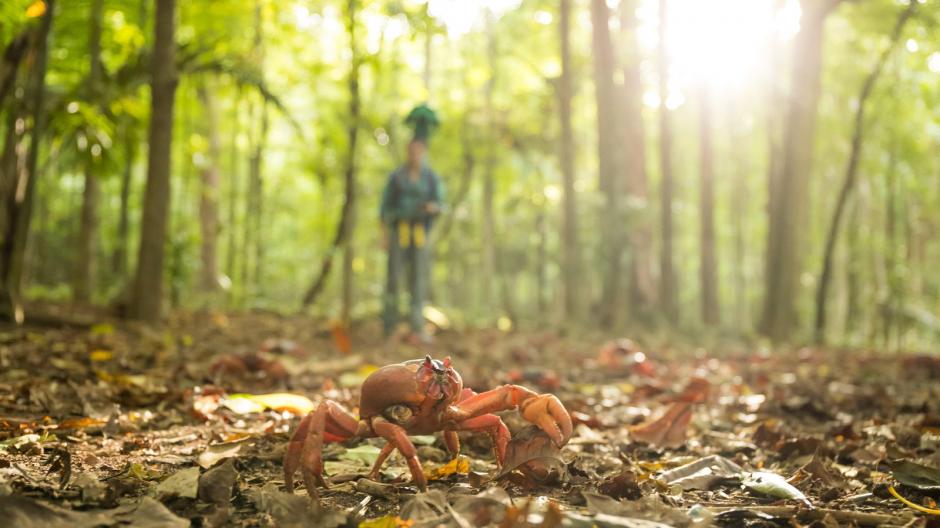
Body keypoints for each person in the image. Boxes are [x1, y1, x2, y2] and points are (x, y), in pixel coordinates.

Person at [380, 106, 444, 342]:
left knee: (418, 280)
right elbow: (384, 209)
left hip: (420, 234)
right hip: (399, 231)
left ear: (423, 152)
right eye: (412, 150)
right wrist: (384, 235)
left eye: (419, 150)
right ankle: (390, 327)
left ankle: (417, 327)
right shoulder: (396, 177)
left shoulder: (431, 178)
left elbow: (440, 204)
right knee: (393, 279)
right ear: (408, 151)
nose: (415, 154)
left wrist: (432, 208)